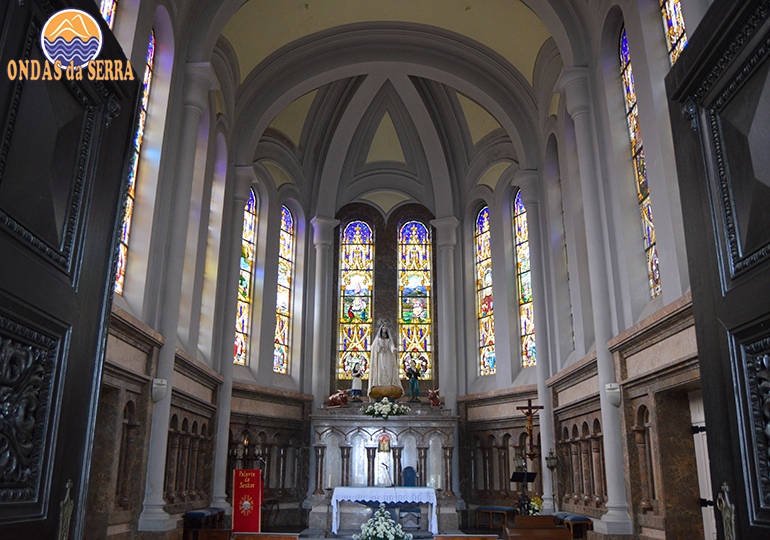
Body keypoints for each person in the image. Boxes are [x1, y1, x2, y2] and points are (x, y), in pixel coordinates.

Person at [369, 319, 402, 394]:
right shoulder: (378, 339)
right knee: (381, 369)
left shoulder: (388, 339)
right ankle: (380, 383)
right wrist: (378, 348)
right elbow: (374, 347)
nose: (384, 330)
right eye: (383, 329)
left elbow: (391, 345)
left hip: (388, 356)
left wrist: (393, 349)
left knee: (388, 368)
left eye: (385, 329)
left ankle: (388, 383)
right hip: (380, 356)